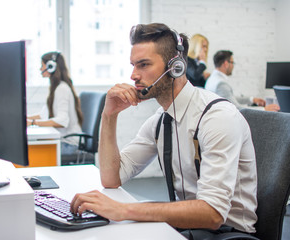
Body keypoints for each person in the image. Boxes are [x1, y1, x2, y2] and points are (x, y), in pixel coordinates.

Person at [70, 23, 258, 239]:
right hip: (190, 229)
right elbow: (111, 178)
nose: (133, 75)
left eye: (143, 65)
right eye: (133, 65)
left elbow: (213, 213)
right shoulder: (161, 120)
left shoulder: (217, 118)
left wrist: (123, 210)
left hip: (230, 234)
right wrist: (109, 115)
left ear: (176, 67)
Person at [27, 52, 83, 155]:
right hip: (63, 141)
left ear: (51, 67)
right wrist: (26, 118)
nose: (40, 69)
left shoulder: (62, 89)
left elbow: (62, 121)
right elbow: (44, 114)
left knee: (33, 152)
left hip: (68, 143)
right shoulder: (56, 88)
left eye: (42, 65)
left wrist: (32, 122)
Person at [205, 50, 280, 111]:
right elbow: (236, 109)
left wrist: (251, 99)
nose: (233, 66)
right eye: (232, 63)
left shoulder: (211, 79)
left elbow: (230, 98)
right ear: (226, 64)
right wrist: (264, 109)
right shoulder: (220, 84)